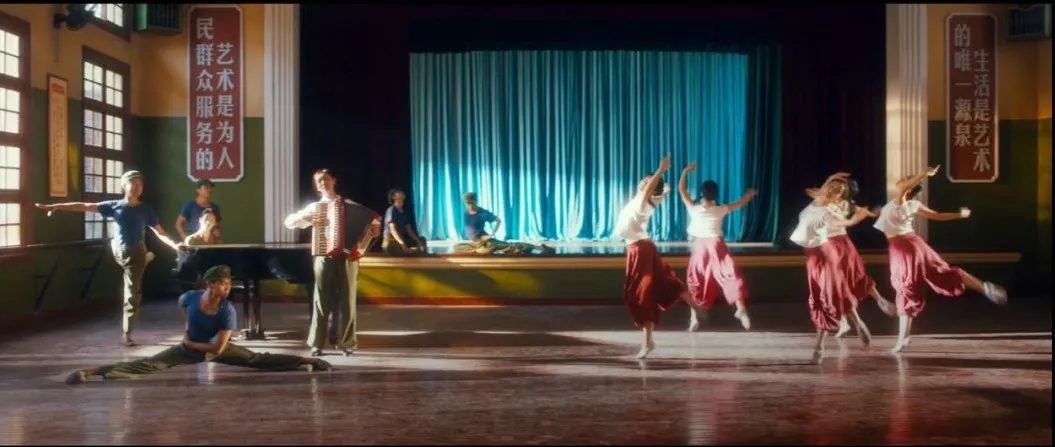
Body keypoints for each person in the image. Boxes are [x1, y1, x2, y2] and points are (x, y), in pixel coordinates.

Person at [63, 265, 331, 385]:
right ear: (211, 284)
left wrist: (190, 342)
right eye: (223, 283)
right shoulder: (191, 297)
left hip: (211, 348)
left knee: (257, 359)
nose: (227, 287)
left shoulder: (226, 311)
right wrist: (187, 330)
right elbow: (182, 304)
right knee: (147, 365)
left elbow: (217, 349)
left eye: (229, 283)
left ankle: (306, 361)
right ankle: (88, 372)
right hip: (188, 347)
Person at [36, 170, 182, 347]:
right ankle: (146, 257)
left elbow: (160, 232)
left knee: (132, 293)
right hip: (119, 250)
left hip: (135, 252)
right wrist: (58, 206)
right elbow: (85, 206)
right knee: (129, 253)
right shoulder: (114, 206)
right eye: (133, 183)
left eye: (140, 184)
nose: (137, 187)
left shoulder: (146, 210)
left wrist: (174, 245)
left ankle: (126, 333)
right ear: (124, 186)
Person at [872, 165, 1008, 353]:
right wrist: (959, 215)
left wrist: (923, 174)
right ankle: (984, 287)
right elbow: (937, 216)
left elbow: (907, 192)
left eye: (906, 180)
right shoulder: (909, 204)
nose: (902, 180)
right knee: (938, 274)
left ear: (908, 188)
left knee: (906, 289)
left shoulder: (901, 201)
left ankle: (903, 338)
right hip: (913, 245)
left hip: (904, 248)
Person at [284, 169, 381, 357]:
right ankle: (317, 344)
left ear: (334, 181)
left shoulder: (350, 206)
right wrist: (304, 219)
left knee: (348, 301)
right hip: (323, 255)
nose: (323, 183)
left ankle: (347, 343)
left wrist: (373, 232)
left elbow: (373, 224)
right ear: (316, 186)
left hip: (349, 257)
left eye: (326, 179)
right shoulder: (315, 208)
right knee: (321, 300)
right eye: (319, 181)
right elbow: (288, 222)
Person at [615, 154, 702, 360]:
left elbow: (653, 188)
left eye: (648, 182)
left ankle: (648, 342)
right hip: (637, 250)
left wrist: (661, 170)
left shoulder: (643, 201)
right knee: (663, 283)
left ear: (650, 188)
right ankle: (694, 307)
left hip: (641, 250)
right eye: (645, 180)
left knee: (642, 295)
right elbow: (661, 190)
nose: (644, 182)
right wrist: (672, 178)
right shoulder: (646, 200)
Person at [790, 174, 876, 364]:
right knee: (828, 296)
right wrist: (833, 177)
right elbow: (822, 188)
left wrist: (856, 219)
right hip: (812, 258)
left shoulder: (829, 212)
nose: (831, 189)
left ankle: (819, 346)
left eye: (837, 190)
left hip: (825, 256)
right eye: (831, 186)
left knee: (828, 299)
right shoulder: (818, 200)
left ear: (838, 197)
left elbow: (844, 223)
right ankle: (858, 322)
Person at [805, 176, 898, 338]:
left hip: (831, 245)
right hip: (844, 244)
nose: (832, 188)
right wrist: (874, 213)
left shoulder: (829, 202)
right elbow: (867, 212)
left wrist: (827, 184)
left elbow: (810, 192)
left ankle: (849, 319)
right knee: (852, 277)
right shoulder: (846, 204)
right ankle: (875, 302)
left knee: (838, 283)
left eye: (837, 187)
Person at [677, 162, 755, 331]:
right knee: (730, 275)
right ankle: (741, 308)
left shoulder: (694, 208)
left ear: (701, 193)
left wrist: (685, 172)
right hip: (716, 244)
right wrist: (749, 195)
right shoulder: (721, 209)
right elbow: (741, 202)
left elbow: (681, 191)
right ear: (715, 194)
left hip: (700, 246)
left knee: (696, 280)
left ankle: (694, 317)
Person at [453, 192, 553, 255]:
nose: (470, 206)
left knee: (509, 246)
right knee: (456, 247)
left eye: (471, 203)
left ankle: (540, 247)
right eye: (467, 204)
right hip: (475, 242)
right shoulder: (466, 211)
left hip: (484, 241)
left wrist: (491, 234)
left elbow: (498, 220)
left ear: (476, 201)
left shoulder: (482, 213)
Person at [382, 188, 427, 254]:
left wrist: (418, 241)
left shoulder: (404, 212)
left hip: (402, 240)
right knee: (395, 248)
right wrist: (402, 244)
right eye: (398, 192)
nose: (402, 193)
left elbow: (409, 231)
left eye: (402, 192)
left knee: (422, 240)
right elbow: (392, 230)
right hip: (391, 241)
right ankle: (406, 251)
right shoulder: (391, 210)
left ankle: (413, 252)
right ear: (393, 197)